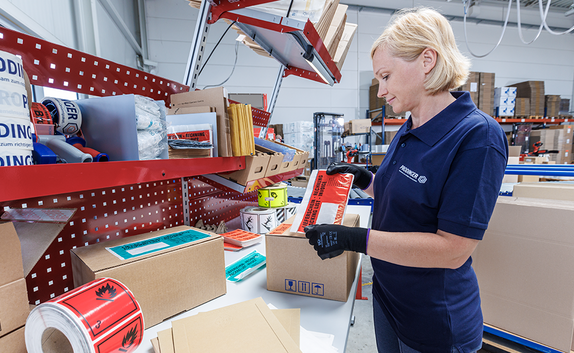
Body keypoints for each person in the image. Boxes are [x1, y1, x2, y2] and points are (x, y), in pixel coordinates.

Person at [304, 7, 508, 353]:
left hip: (434, 324)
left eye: (385, 76)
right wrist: (365, 180)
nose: (381, 91)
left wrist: (355, 239)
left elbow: (454, 249)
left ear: (427, 60)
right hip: (388, 301)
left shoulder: (477, 137)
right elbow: (404, 196)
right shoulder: (410, 126)